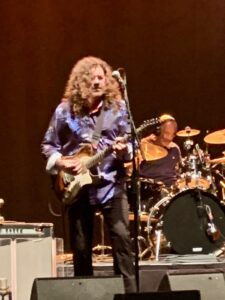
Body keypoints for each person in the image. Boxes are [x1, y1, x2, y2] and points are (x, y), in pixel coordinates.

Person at [41, 56, 136, 292]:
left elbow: (130, 146)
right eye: (91, 78)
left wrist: (125, 151)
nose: (97, 82)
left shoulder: (118, 108)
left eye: (101, 77)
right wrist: (62, 162)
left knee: (122, 240)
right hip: (77, 187)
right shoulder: (65, 111)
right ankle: (86, 295)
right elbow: (47, 145)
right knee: (82, 247)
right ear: (80, 82)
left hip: (111, 182)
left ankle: (129, 294)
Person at [139, 114, 181, 189]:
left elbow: (178, 171)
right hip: (151, 189)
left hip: (171, 190)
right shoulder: (145, 145)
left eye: (172, 134)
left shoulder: (175, 148)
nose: (169, 138)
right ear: (157, 131)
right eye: (166, 133)